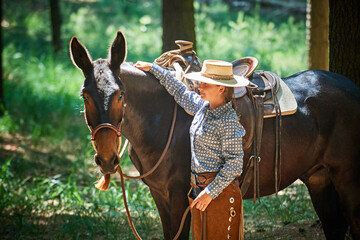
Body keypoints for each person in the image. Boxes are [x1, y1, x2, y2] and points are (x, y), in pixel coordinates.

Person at [135, 59, 248, 240]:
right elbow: (180, 92)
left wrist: (209, 193)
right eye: (200, 82)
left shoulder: (228, 121)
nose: (199, 87)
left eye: (205, 83)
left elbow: (234, 165)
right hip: (199, 189)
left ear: (221, 88)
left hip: (216, 192)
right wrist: (154, 69)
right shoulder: (202, 108)